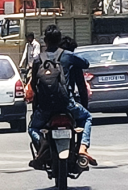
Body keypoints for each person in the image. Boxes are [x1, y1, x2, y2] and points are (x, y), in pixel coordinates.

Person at [28, 25, 95, 169]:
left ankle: (43, 145)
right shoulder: (67, 56)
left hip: (45, 107)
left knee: (33, 128)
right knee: (87, 117)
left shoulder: (39, 59)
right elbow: (86, 63)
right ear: (59, 40)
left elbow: (34, 84)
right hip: (67, 104)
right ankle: (83, 147)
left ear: (45, 41)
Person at [59, 36, 88, 110]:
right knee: (87, 117)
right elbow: (81, 87)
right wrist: (84, 106)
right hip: (68, 98)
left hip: (49, 101)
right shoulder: (72, 60)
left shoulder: (46, 59)